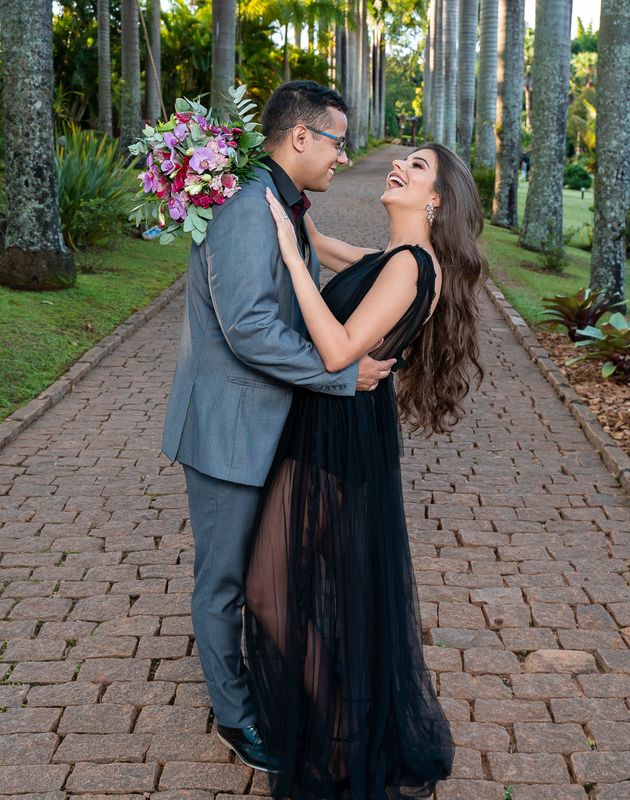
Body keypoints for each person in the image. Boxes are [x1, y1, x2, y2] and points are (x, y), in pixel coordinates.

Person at [160, 81, 395, 773]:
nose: (342, 157)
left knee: (270, 573)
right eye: (336, 142)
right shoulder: (242, 207)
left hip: (267, 425)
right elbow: (250, 330)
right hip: (228, 434)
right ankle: (237, 719)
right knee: (225, 582)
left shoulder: (283, 204)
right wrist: (339, 374)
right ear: (300, 137)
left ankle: (273, 686)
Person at [244, 141, 488, 800]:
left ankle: (344, 738)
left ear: (436, 200)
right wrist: (275, 197)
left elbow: (338, 350)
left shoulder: (412, 267)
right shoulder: (396, 260)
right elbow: (325, 246)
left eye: (419, 167)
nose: (401, 166)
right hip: (339, 427)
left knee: (274, 588)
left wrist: (290, 259)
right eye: (402, 157)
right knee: (315, 586)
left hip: (338, 434)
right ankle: (343, 726)